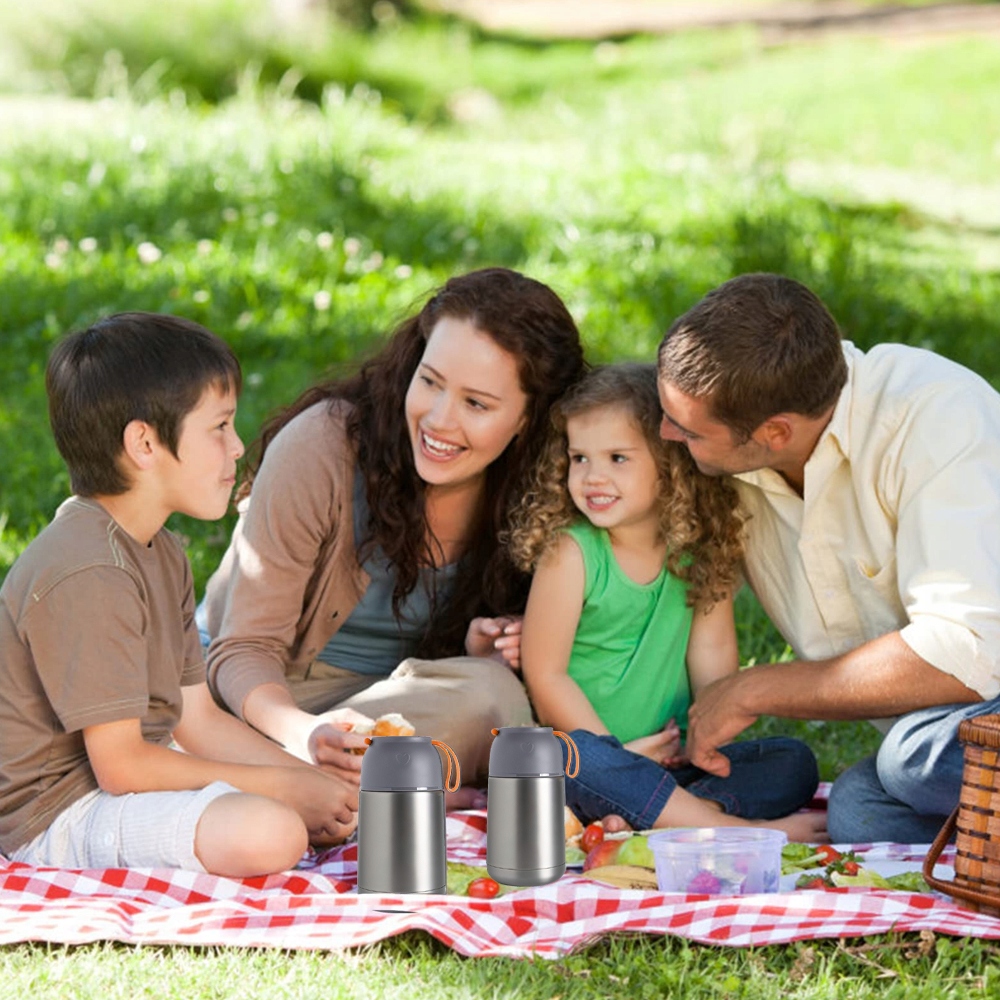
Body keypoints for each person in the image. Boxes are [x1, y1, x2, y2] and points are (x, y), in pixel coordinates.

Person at [202, 267, 587, 796]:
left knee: (494, 695)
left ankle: (317, 787)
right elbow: (241, 649)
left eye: (476, 403)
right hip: (263, 698)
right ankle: (341, 783)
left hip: (392, 711)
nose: (438, 420)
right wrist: (306, 733)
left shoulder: (548, 492)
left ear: (529, 419)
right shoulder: (323, 447)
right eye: (429, 382)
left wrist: (480, 650)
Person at [0, 313, 358, 876]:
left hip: (131, 778)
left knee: (296, 801)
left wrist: (309, 780)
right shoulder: (89, 569)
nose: (237, 447)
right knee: (272, 828)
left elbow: (199, 721)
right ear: (144, 442)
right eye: (219, 428)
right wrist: (284, 788)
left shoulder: (160, 551)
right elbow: (120, 766)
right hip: (57, 814)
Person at [657, 272, 1000, 843]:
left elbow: (969, 651)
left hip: (978, 695)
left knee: (910, 762)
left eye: (688, 430)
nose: (665, 433)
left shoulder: (938, 417)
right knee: (861, 811)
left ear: (775, 431)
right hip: (955, 729)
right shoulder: (740, 447)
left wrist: (753, 688)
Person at [509, 363, 823, 840]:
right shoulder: (571, 552)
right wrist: (617, 754)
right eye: (579, 458)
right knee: (567, 760)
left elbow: (712, 656)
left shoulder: (700, 551)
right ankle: (741, 831)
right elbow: (545, 674)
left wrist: (707, 742)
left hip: (670, 763)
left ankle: (668, 815)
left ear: (670, 464)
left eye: (617, 458)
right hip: (590, 762)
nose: (592, 476)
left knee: (792, 762)